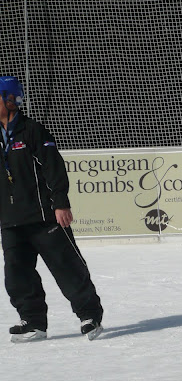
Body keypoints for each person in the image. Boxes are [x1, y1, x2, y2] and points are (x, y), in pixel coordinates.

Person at [0, 75, 104, 342]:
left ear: (10, 100)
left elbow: (53, 167)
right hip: (10, 220)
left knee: (67, 267)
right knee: (16, 274)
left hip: (44, 215)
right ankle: (33, 323)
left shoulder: (32, 130)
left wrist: (60, 202)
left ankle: (89, 315)